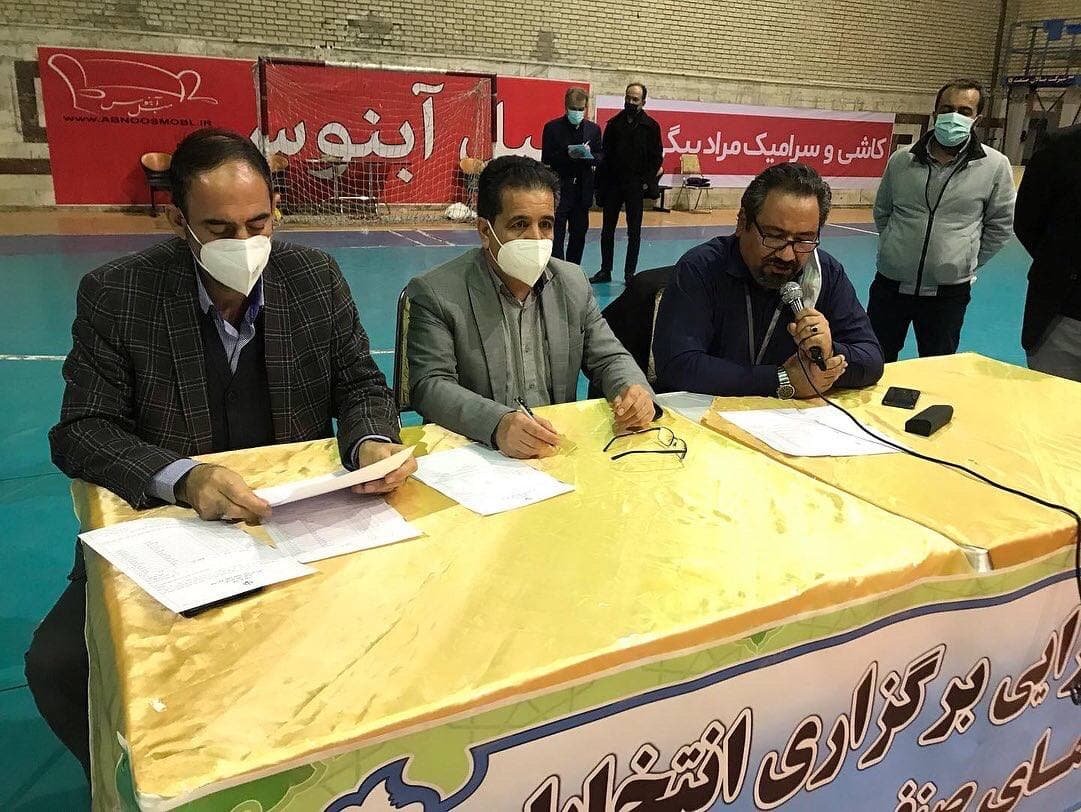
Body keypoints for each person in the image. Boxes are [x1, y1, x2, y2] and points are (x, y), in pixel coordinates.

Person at [25, 128, 416, 778]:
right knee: (61, 666)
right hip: (172, 530)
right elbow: (83, 429)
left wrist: (370, 438)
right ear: (178, 221)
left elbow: (358, 382)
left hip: (298, 523)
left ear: (276, 210)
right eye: (219, 228)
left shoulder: (313, 278)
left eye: (258, 223)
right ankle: (136, 787)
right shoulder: (120, 294)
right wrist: (184, 478)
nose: (244, 243)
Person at [406, 155, 658, 457]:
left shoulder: (572, 282)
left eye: (546, 224)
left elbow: (608, 358)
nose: (536, 238)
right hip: (476, 454)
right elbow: (430, 386)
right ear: (485, 231)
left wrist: (633, 391)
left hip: (554, 451)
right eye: (520, 224)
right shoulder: (437, 292)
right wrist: (498, 424)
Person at [652, 163, 884, 398]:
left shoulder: (825, 272)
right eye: (774, 236)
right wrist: (781, 379)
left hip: (789, 417)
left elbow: (872, 359)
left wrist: (830, 351)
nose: (787, 255)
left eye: (804, 240)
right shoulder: (701, 268)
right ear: (742, 222)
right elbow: (676, 365)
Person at [869, 79, 1015, 361]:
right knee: (874, 361)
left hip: (948, 294)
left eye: (964, 111)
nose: (954, 116)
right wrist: (893, 247)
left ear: (976, 118)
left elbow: (1000, 226)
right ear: (935, 113)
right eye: (947, 109)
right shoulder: (901, 160)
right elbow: (883, 211)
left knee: (937, 368)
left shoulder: (995, 166)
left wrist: (962, 260)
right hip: (890, 286)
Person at [1014, 123, 1081, 381]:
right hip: (1062, 319)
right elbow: (1027, 221)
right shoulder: (1061, 147)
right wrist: (1062, 265)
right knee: (1052, 403)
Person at [590, 82, 663, 285]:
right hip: (613, 184)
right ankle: (605, 270)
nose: (630, 102)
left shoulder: (651, 127)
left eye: (635, 99)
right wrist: (600, 187)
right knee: (607, 230)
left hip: (635, 186)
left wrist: (646, 182)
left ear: (643, 102)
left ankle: (629, 274)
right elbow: (605, 156)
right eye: (628, 97)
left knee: (634, 232)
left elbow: (656, 157)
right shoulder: (614, 124)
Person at [541, 86, 602, 265]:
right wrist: (566, 154)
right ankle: (557, 267)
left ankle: (573, 268)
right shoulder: (552, 128)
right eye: (573, 108)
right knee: (556, 234)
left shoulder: (594, 130)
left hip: (582, 191)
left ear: (586, 108)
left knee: (579, 234)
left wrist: (589, 155)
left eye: (580, 109)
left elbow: (600, 156)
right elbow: (546, 158)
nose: (577, 112)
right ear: (566, 106)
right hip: (560, 188)